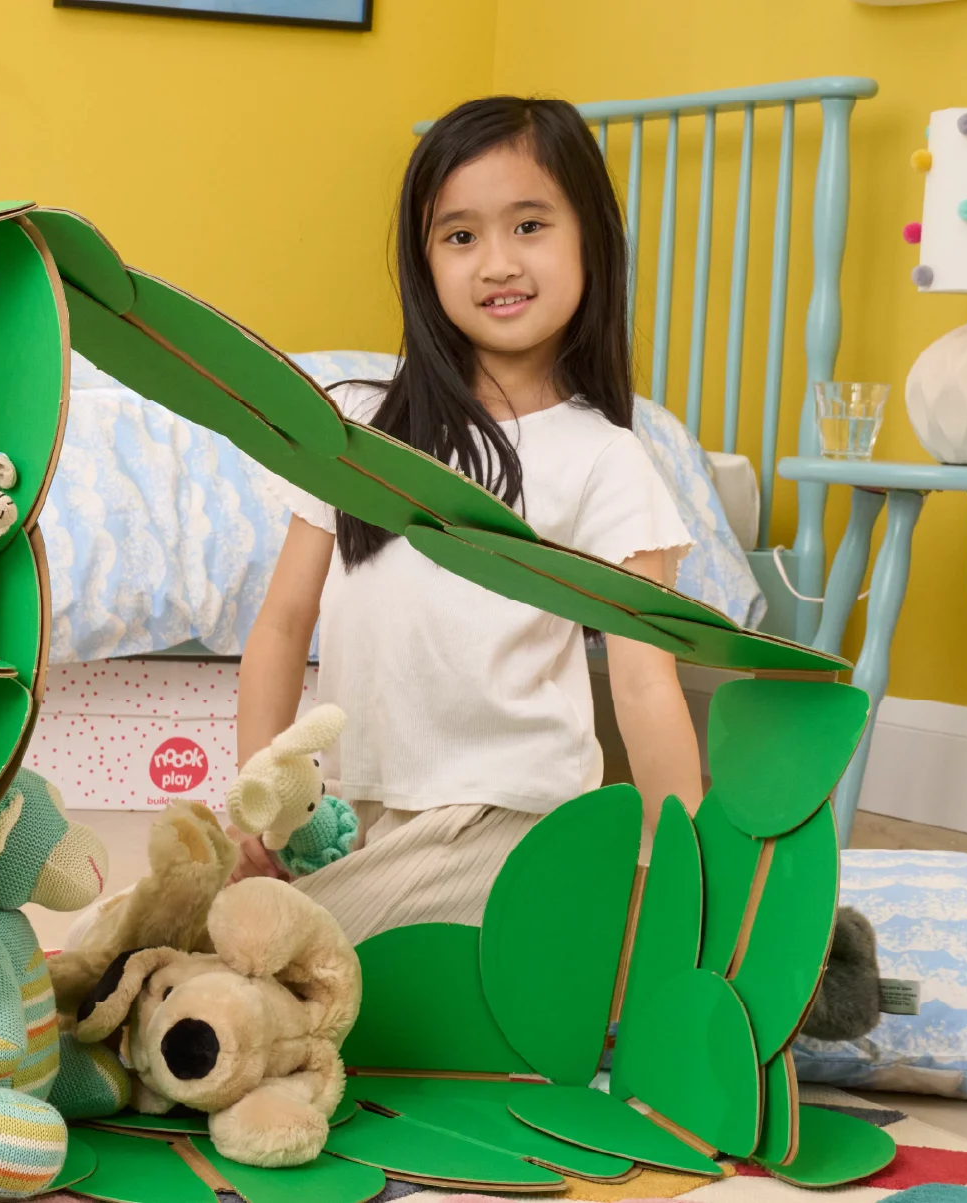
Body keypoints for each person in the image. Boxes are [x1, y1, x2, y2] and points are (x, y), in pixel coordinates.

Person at [231, 95, 702, 943]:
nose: (496, 263)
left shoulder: (604, 460)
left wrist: (681, 875)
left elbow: (641, 683)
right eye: (460, 236)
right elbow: (279, 627)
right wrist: (253, 804)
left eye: (529, 226)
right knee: (182, 915)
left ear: (590, 240)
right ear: (424, 262)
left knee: (268, 954)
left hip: (505, 818)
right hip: (346, 809)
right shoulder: (356, 427)